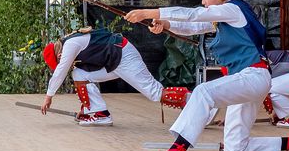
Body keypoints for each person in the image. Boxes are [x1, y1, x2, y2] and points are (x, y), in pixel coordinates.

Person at [126, 0, 289, 151]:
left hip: (252, 76)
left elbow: (194, 15)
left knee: (203, 92)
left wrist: (150, 13)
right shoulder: (226, 17)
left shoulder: (233, 9)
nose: (203, 2)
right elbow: (193, 26)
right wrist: (166, 24)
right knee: (236, 149)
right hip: (250, 79)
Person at [40, 27, 190, 126]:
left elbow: (60, 72)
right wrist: (86, 109)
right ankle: (99, 113)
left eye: (59, 61)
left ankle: (195, 102)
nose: (63, 63)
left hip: (124, 58)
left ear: (59, 55)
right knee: (79, 73)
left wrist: (49, 96)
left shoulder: (70, 45)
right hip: (114, 61)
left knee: (155, 93)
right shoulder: (71, 42)